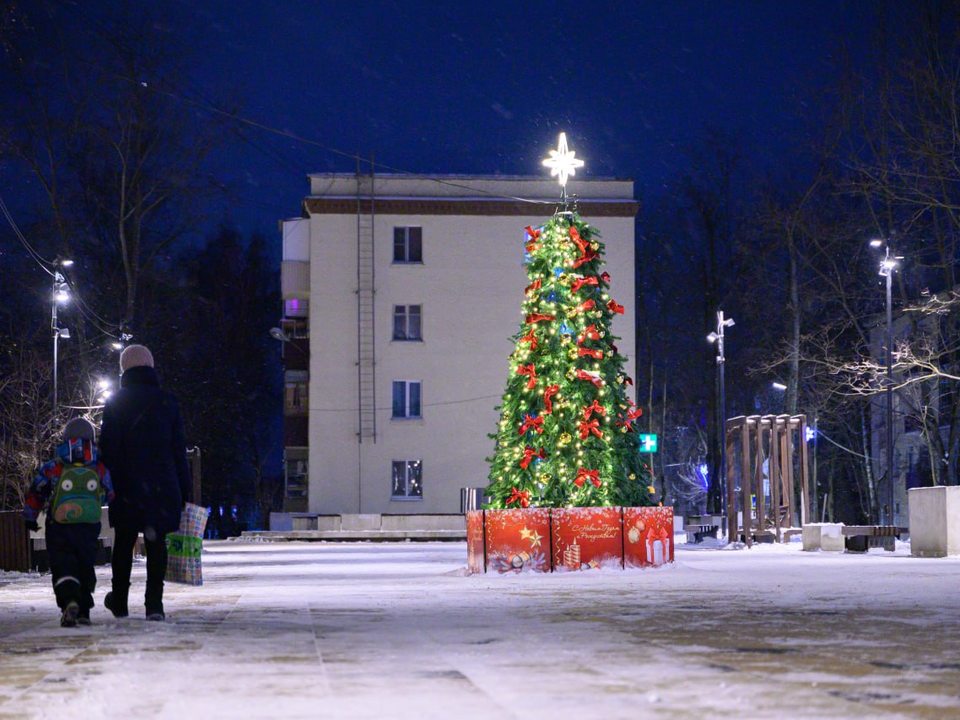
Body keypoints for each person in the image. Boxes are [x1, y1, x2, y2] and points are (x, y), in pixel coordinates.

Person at [100, 344, 192, 621]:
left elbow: (108, 449)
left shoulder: (115, 402)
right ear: (150, 367)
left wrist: (108, 486)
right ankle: (154, 604)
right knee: (156, 542)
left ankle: (120, 602)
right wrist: (183, 491)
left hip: (126, 487)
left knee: (124, 541)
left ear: (123, 369)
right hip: (162, 486)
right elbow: (179, 450)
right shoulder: (168, 401)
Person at [23, 417, 114, 627]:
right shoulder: (99, 467)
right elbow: (111, 493)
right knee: (85, 564)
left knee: (62, 563)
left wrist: (31, 517)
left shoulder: (54, 467)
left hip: (59, 527)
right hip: (89, 527)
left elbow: (37, 492)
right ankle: (84, 611)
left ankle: (69, 600)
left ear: (66, 438)